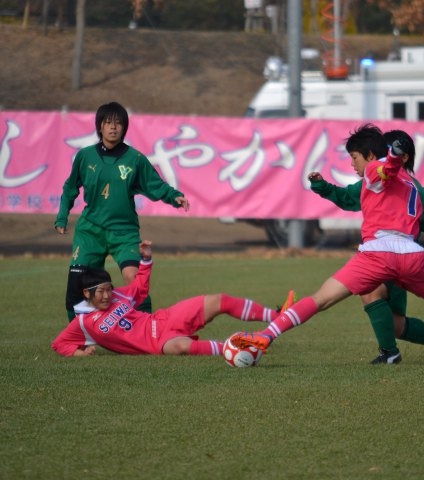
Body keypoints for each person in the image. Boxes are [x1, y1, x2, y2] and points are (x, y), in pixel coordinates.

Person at [230, 124, 424, 366]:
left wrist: (390, 157)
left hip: (379, 253)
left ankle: (266, 335)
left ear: (374, 155)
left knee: (321, 299)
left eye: (354, 157)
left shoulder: (374, 169)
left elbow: (385, 170)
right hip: (412, 255)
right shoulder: (413, 187)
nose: (352, 163)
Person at [309, 129, 424, 365]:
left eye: (387, 153)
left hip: (397, 258)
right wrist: (322, 186)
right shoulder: (379, 181)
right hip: (387, 255)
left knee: (381, 306)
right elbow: (346, 197)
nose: (381, 158)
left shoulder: (411, 188)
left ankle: (397, 351)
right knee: (392, 319)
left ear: (402, 157)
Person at [54, 101, 190, 321]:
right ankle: (77, 338)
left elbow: (155, 184)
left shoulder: (135, 159)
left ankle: (148, 328)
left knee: (134, 277)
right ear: (100, 126)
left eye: (118, 123)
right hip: (91, 231)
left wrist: (174, 196)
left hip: (124, 232)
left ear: (124, 127)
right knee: (79, 283)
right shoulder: (85, 156)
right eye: (108, 122)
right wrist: (62, 216)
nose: (113, 127)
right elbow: (70, 188)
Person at [52, 240, 296, 357]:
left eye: (108, 288)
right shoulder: (83, 322)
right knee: (179, 348)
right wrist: (79, 354)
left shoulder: (119, 295)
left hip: (165, 319)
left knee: (217, 301)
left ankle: (277, 315)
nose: (107, 295)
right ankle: (244, 347)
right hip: (159, 344)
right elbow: (59, 344)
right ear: (87, 294)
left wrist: (146, 259)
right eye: (100, 292)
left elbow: (141, 287)